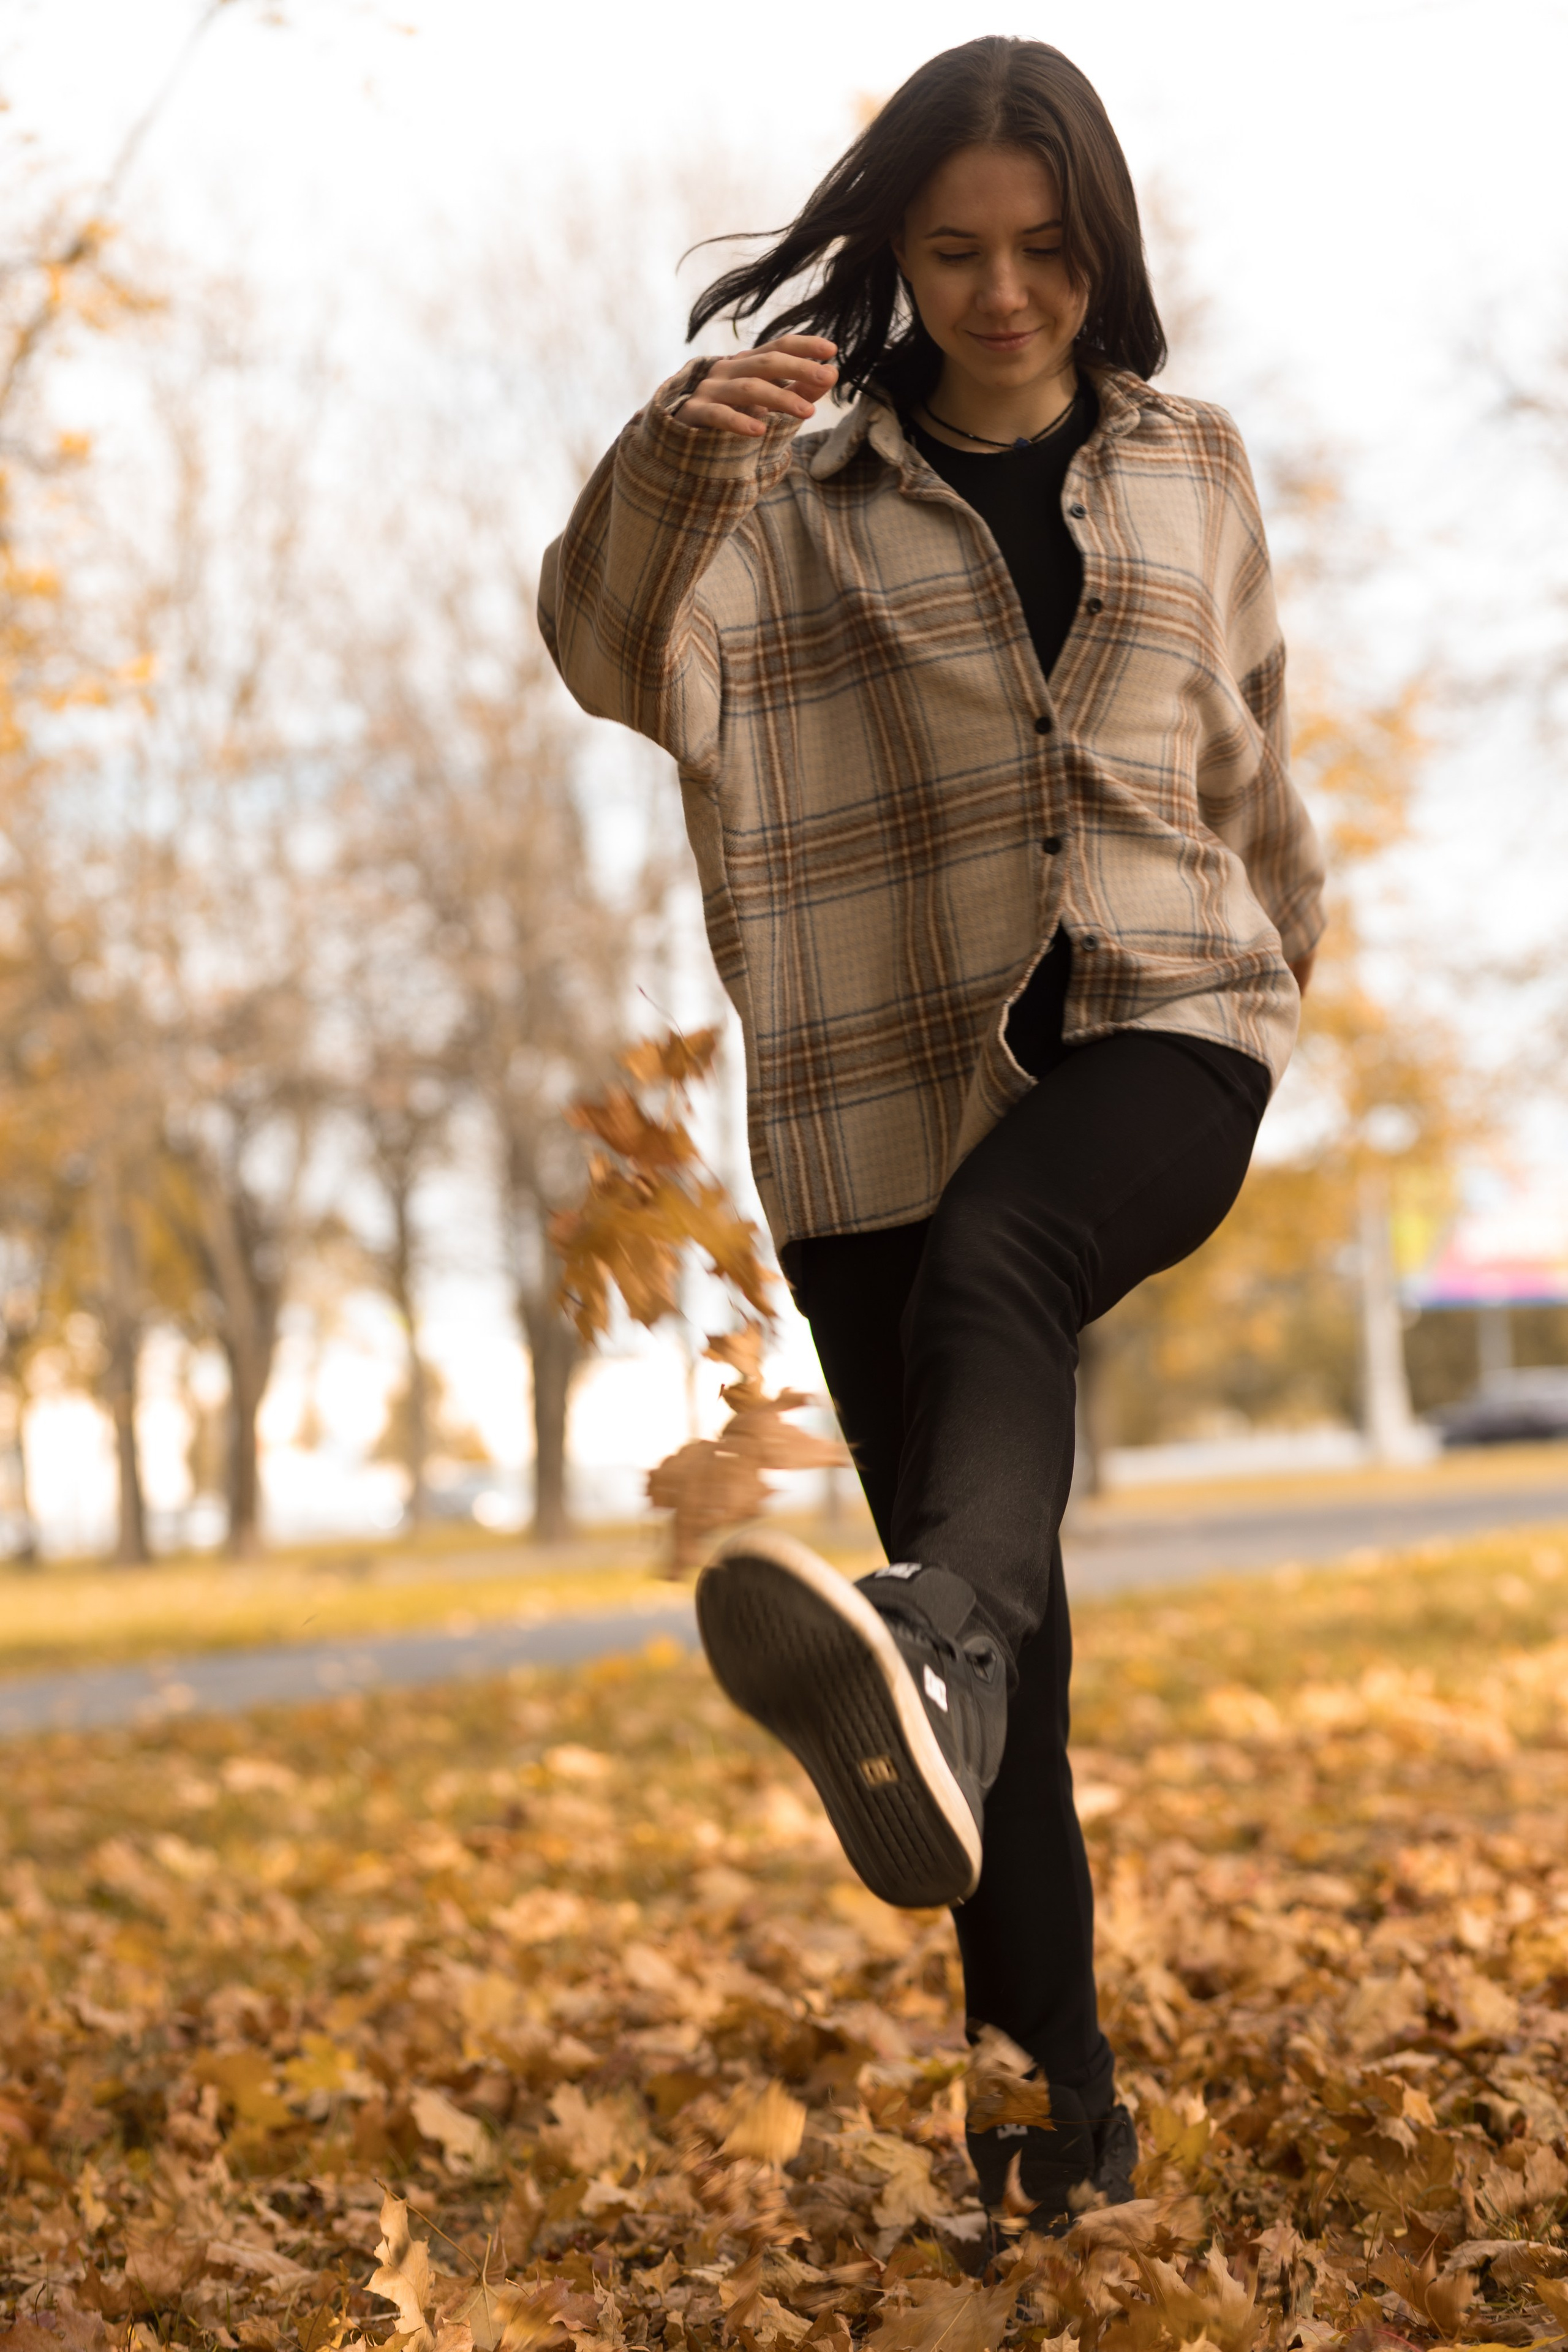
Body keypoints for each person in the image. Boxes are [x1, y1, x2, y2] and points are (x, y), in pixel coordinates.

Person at [538, 35, 1324, 2236]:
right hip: (881, 1099)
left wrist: (1280, 975)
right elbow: (604, 647)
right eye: (960, 252)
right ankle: (1047, 2140)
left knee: (1004, 1290)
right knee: (988, 1691)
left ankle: (940, 1639)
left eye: (1049, 251)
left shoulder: (1193, 466)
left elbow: (1257, 755)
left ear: (1106, 245)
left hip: (1165, 1033)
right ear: (894, 249)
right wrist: (672, 463)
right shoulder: (776, 498)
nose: (1006, 295)